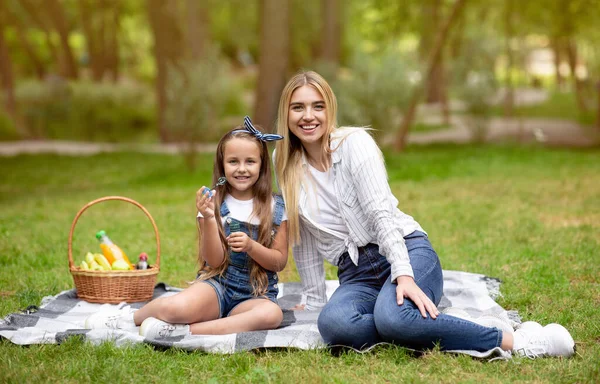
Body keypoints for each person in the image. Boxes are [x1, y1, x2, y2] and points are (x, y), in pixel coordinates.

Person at [273, 70, 575, 358]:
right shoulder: (284, 162)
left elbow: (381, 214)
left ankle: (514, 340)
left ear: (330, 110)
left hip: (405, 251)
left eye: (317, 106)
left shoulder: (355, 144)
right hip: (356, 275)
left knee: (395, 320)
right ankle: (412, 322)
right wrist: (314, 300)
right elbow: (304, 238)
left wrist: (403, 274)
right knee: (335, 325)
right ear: (286, 114)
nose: (308, 116)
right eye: (298, 107)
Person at [86, 117, 289, 338]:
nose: (242, 169)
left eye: (250, 161)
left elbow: (278, 261)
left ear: (262, 165)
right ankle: (128, 318)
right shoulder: (213, 203)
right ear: (222, 165)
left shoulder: (275, 207)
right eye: (233, 162)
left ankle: (181, 331)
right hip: (218, 286)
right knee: (177, 308)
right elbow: (214, 261)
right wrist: (210, 218)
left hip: (257, 294)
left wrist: (251, 246)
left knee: (272, 315)